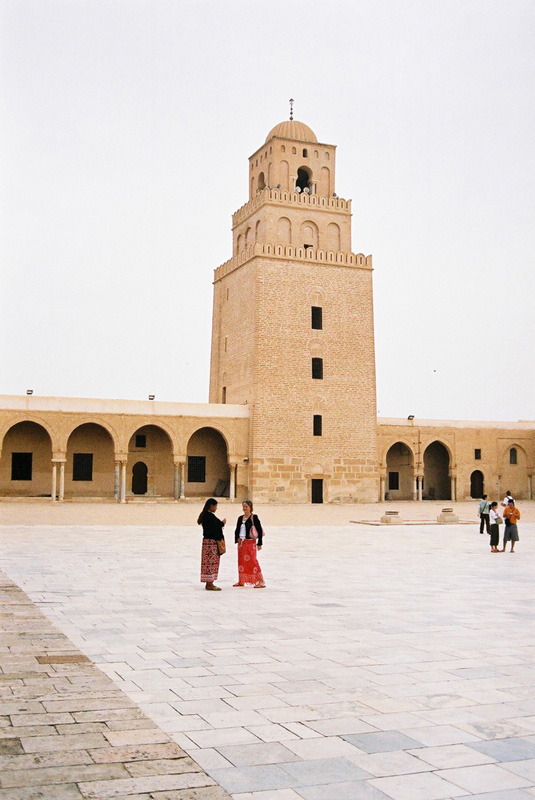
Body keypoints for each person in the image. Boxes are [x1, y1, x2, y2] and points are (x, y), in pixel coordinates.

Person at [233, 499, 266, 588]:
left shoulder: (254, 518)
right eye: (243, 506)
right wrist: (237, 539)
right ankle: (241, 580)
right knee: (241, 562)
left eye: (246, 507)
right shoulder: (240, 518)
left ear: (250, 508)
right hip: (241, 543)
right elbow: (237, 530)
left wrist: (259, 543)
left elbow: (259, 530)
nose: (244, 508)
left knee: (253, 561)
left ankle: (260, 580)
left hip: (250, 543)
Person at [198, 498, 226, 591]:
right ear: (211, 506)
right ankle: (210, 583)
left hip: (206, 542)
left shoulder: (205, 516)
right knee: (211, 563)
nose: (216, 508)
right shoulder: (210, 516)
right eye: (215, 506)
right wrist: (222, 523)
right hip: (212, 543)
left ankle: (209, 582)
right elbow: (216, 526)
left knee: (207, 563)